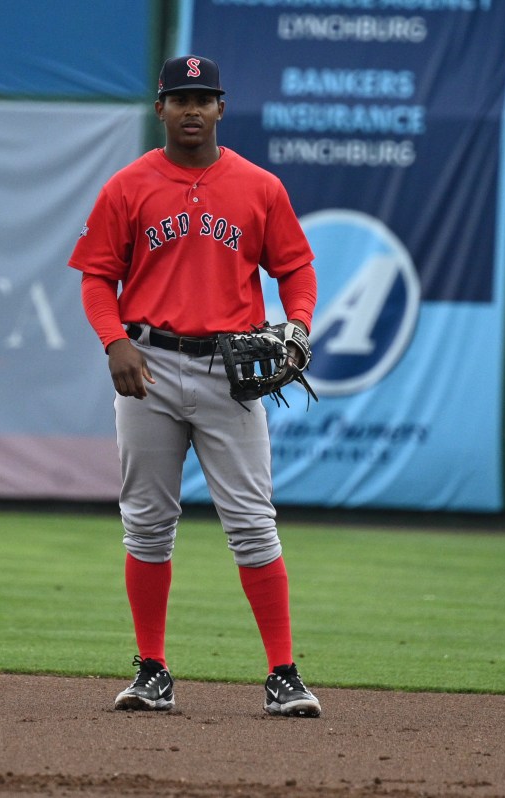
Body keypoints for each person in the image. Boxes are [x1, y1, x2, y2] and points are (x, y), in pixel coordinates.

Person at [67, 55, 321, 718]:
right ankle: (152, 670)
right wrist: (115, 341)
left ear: (220, 108)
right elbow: (96, 278)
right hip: (148, 363)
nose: (191, 109)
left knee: (251, 524)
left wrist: (298, 324)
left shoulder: (259, 187)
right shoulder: (128, 187)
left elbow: (296, 267)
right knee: (147, 524)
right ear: (160, 109)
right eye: (179, 98)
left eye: (202, 98)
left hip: (228, 372)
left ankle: (284, 674)